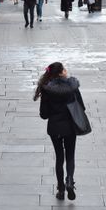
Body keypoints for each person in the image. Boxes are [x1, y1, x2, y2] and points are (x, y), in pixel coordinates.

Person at [34, 62, 85, 200]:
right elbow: (81, 107)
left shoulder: (47, 89)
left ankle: (61, 190)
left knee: (59, 157)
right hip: (70, 127)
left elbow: (44, 114)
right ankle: (69, 180)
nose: (66, 70)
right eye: (64, 69)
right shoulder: (72, 87)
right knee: (70, 156)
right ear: (61, 73)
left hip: (55, 128)